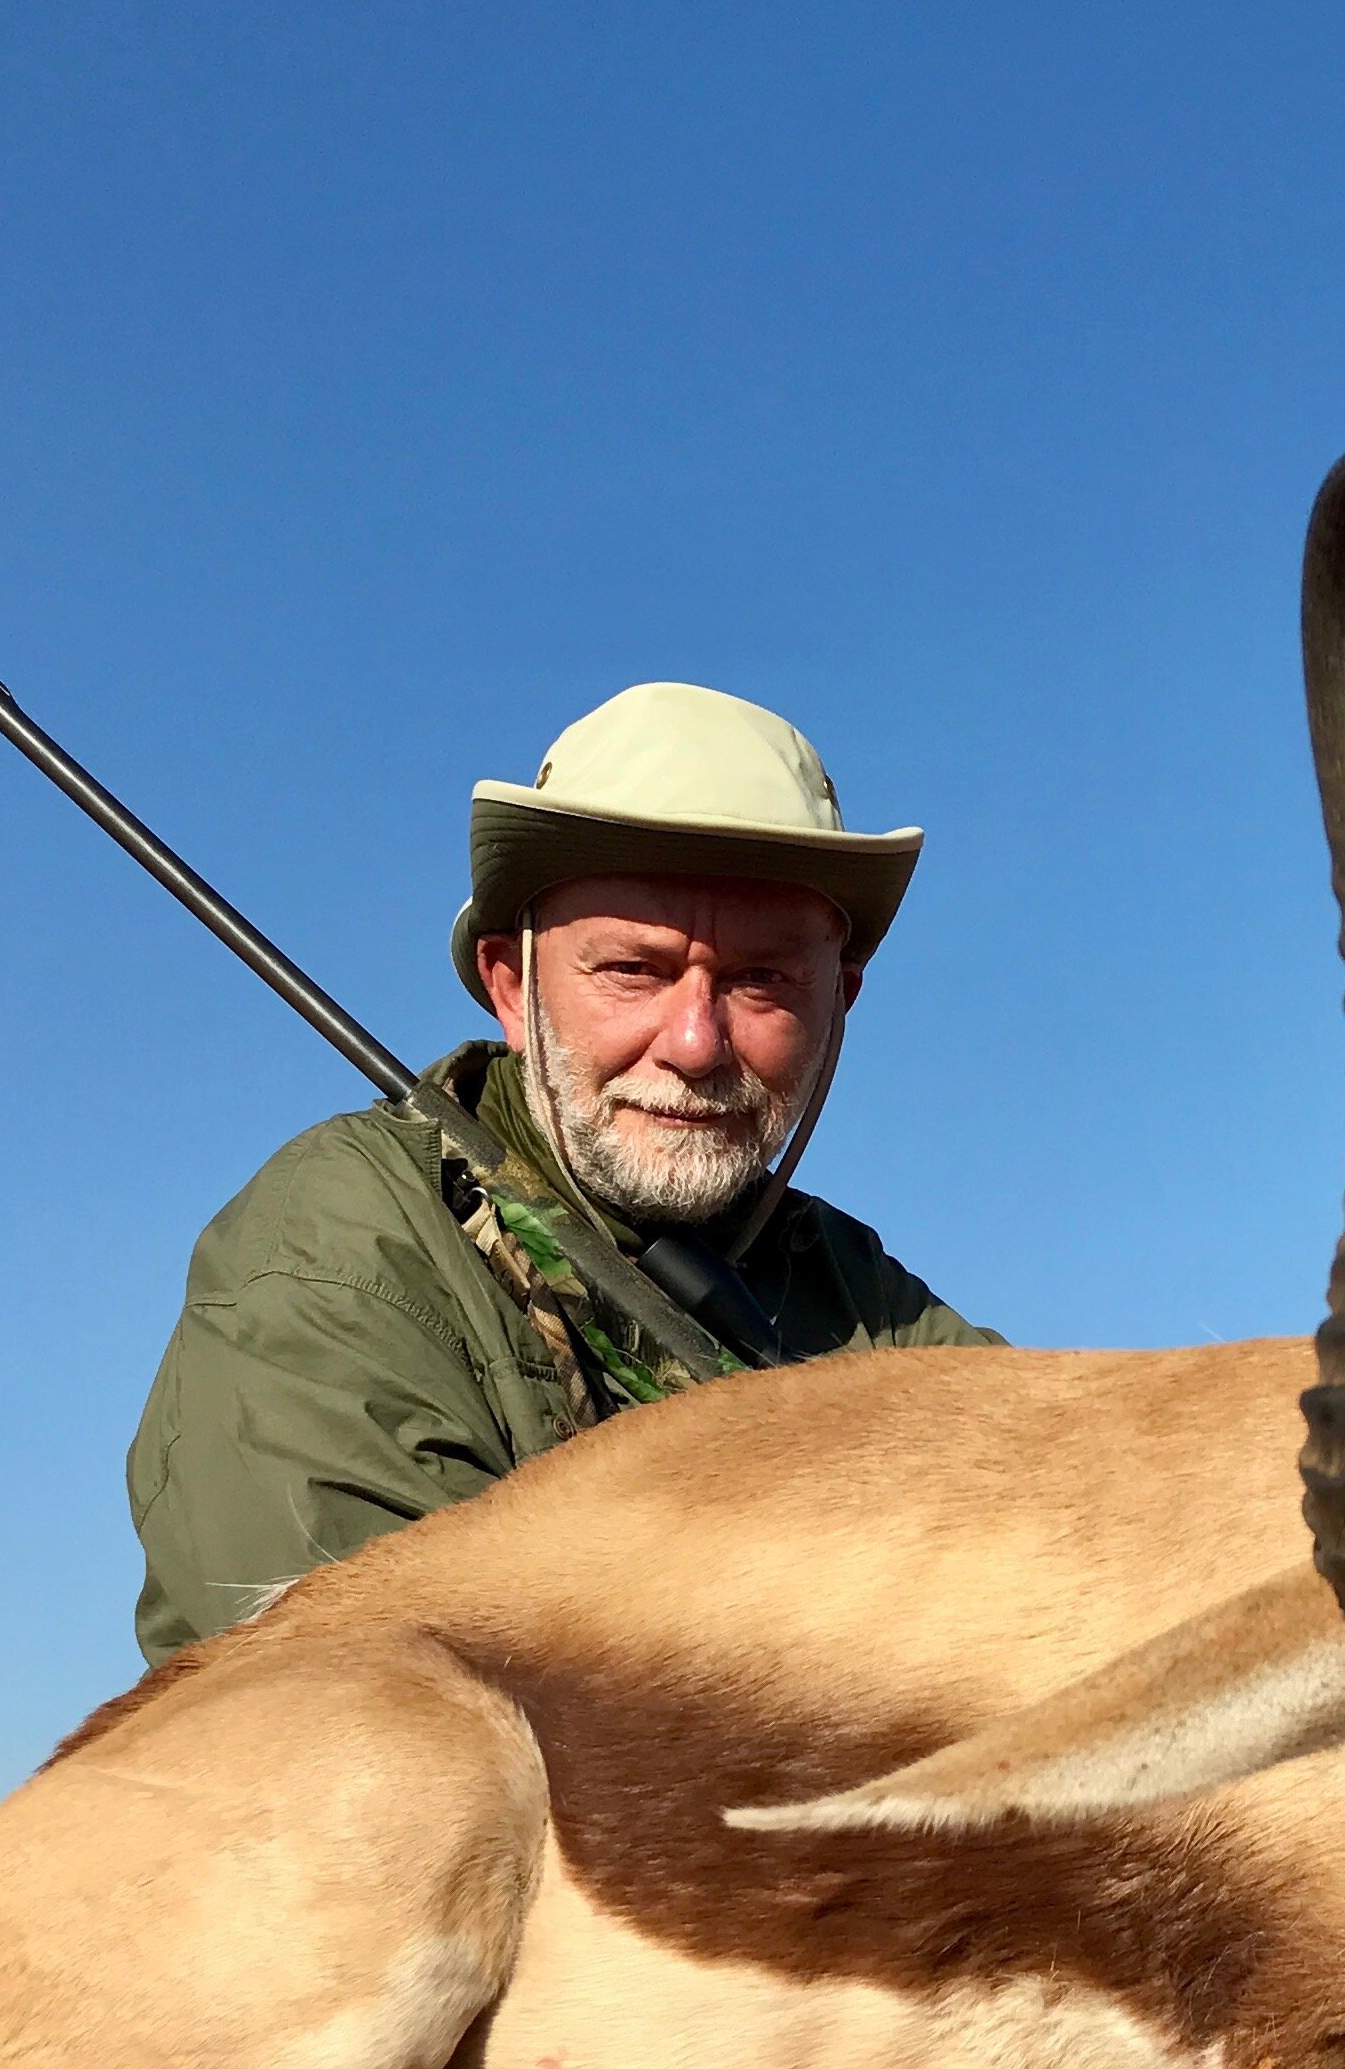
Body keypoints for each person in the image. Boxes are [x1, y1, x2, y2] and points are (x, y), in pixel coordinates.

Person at [123, 681, 1000, 1662]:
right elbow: (380, 1714)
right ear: (510, 985)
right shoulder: (338, 1247)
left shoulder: (850, 1291)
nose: (696, 1042)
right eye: (634, 970)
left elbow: (1075, 1513)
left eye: (764, 981)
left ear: (839, 1002)